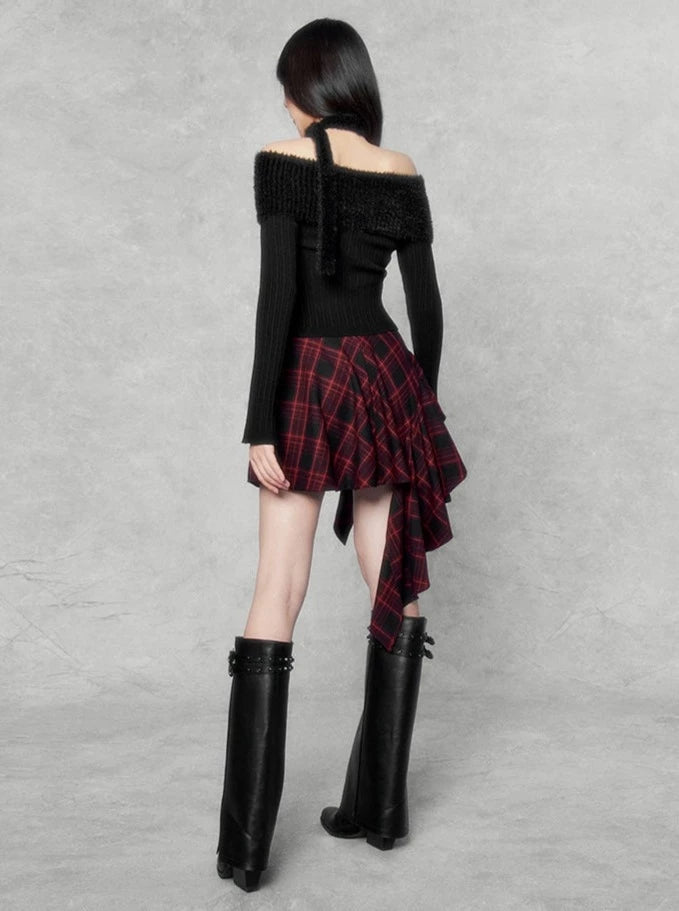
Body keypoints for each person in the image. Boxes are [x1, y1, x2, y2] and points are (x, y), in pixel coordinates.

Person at [216, 17, 468, 893]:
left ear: (303, 92)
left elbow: (277, 298)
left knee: (276, 588)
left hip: (306, 379)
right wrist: (418, 403)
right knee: (388, 575)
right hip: (383, 376)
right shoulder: (399, 169)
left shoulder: (279, 159)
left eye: (285, 91)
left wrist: (259, 425)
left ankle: (246, 851)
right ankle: (380, 811)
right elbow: (427, 309)